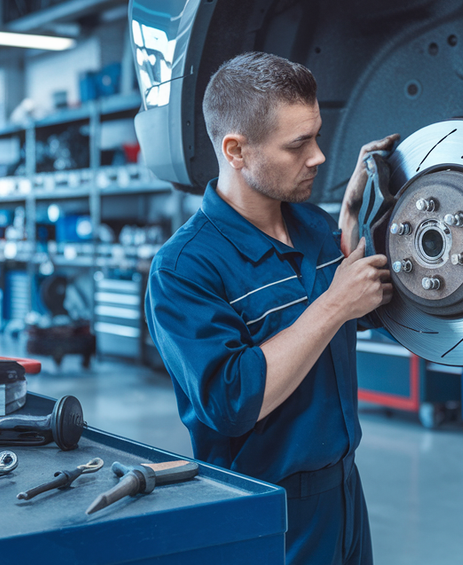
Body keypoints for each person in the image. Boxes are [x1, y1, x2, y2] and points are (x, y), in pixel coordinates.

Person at [145, 51, 397, 565]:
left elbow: (360, 309)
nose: (319, 156)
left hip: (344, 491)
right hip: (263, 510)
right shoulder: (184, 267)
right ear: (236, 150)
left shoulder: (314, 226)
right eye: (298, 144)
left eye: (317, 136)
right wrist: (333, 304)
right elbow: (231, 400)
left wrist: (354, 219)